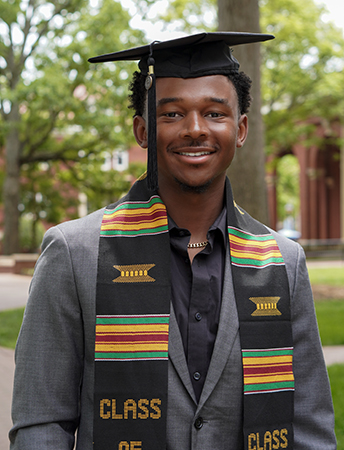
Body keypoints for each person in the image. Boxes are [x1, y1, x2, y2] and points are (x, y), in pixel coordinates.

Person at [10, 32, 336, 450]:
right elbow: (41, 423)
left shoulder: (282, 262)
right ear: (143, 131)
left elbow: (309, 427)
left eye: (215, 114)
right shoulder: (74, 253)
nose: (195, 129)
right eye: (172, 114)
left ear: (240, 130)